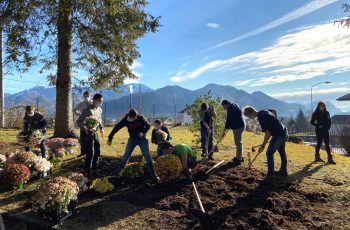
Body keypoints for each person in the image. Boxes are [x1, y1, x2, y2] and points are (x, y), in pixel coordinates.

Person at [107, 109, 159, 182]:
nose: (131, 120)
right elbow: (117, 127)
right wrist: (110, 138)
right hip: (132, 139)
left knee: (147, 156)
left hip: (142, 139)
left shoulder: (141, 118)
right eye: (130, 118)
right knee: (126, 156)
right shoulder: (126, 119)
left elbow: (148, 126)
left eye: (133, 119)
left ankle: (154, 176)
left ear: (136, 116)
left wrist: (142, 132)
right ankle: (118, 175)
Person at [243, 106, 288, 180]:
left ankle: (270, 176)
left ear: (251, 113)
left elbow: (268, 134)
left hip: (279, 135)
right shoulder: (263, 111)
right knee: (281, 151)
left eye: (248, 116)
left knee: (269, 153)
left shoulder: (261, 118)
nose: (249, 118)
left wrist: (262, 146)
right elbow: (274, 111)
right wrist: (274, 123)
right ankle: (283, 171)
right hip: (283, 131)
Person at [77, 94, 104, 178]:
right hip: (87, 134)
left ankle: (95, 169)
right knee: (90, 153)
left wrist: (101, 128)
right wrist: (84, 128)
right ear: (94, 100)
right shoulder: (87, 110)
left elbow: (99, 120)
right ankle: (88, 172)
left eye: (102, 101)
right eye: (99, 101)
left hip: (95, 134)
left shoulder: (99, 109)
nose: (101, 102)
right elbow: (79, 121)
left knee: (97, 151)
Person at [220, 100, 245, 166]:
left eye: (223, 106)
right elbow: (231, 120)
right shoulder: (233, 105)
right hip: (241, 125)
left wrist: (223, 132)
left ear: (226, 104)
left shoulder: (231, 110)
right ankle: (240, 157)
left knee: (238, 143)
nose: (223, 108)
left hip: (238, 127)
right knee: (239, 142)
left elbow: (228, 122)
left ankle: (238, 160)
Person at [74, 91, 91, 157]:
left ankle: (89, 152)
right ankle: (83, 152)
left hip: (91, 122)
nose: (86, 97)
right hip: (83, 122)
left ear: (90, 96)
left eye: (87, 96)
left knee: (90, 138)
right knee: (83, 138)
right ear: (83, 96)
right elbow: (74, 110)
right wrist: (80, 115)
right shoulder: (81, 104)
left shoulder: (91, 104)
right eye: (85, 96)